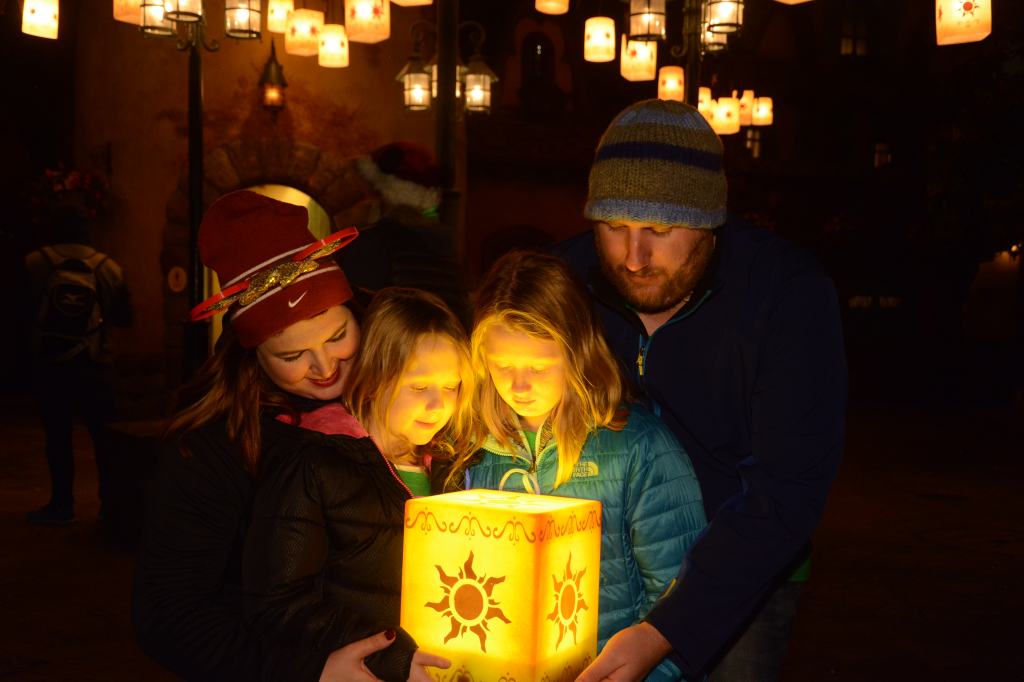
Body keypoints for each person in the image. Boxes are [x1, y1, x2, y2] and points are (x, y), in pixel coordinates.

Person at [557, 99, 847, 681]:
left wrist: (671, 628)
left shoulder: (787, 296)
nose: (633, 258)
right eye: (613, 227)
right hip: (597, 561)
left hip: (744, 568)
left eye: (660, 230)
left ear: (711, 223)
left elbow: (788, 487)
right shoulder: (563, 280)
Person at [132, 191, 447, 682]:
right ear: (253, 353)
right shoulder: (213, 445)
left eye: (338, 336)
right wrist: (307, 670)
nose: (324, 368)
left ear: (354, 309)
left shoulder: (411, 371)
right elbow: (169, 614)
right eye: (291, 356)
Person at [461, 250, 707, 681]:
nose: (519, 385)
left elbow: (680, 603)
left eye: (539, 367)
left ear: (577, 353)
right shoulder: (472, 450)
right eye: (502, 366)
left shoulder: (638, 447)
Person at [241, 287, 477, 679]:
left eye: (451, 387)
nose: (439, 405)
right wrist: (390, 654)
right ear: (373, 376)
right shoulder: (316, 463)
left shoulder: (452, 468)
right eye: (419, 387)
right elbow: (277, 602)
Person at [24, 203, 133, 525]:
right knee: (103, 439)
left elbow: (22, 310)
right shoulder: (108, 267)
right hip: (94, 364)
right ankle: (109, 505)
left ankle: (61, 504)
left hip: (52, 364)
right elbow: (124, 317)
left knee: (57, 438)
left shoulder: (36, 263)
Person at [339, 141, 470, 326]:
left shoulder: (371, 243)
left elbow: (358, 313)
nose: (359, 205)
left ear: (381, 197)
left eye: (364, 197)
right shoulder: (444, 249)